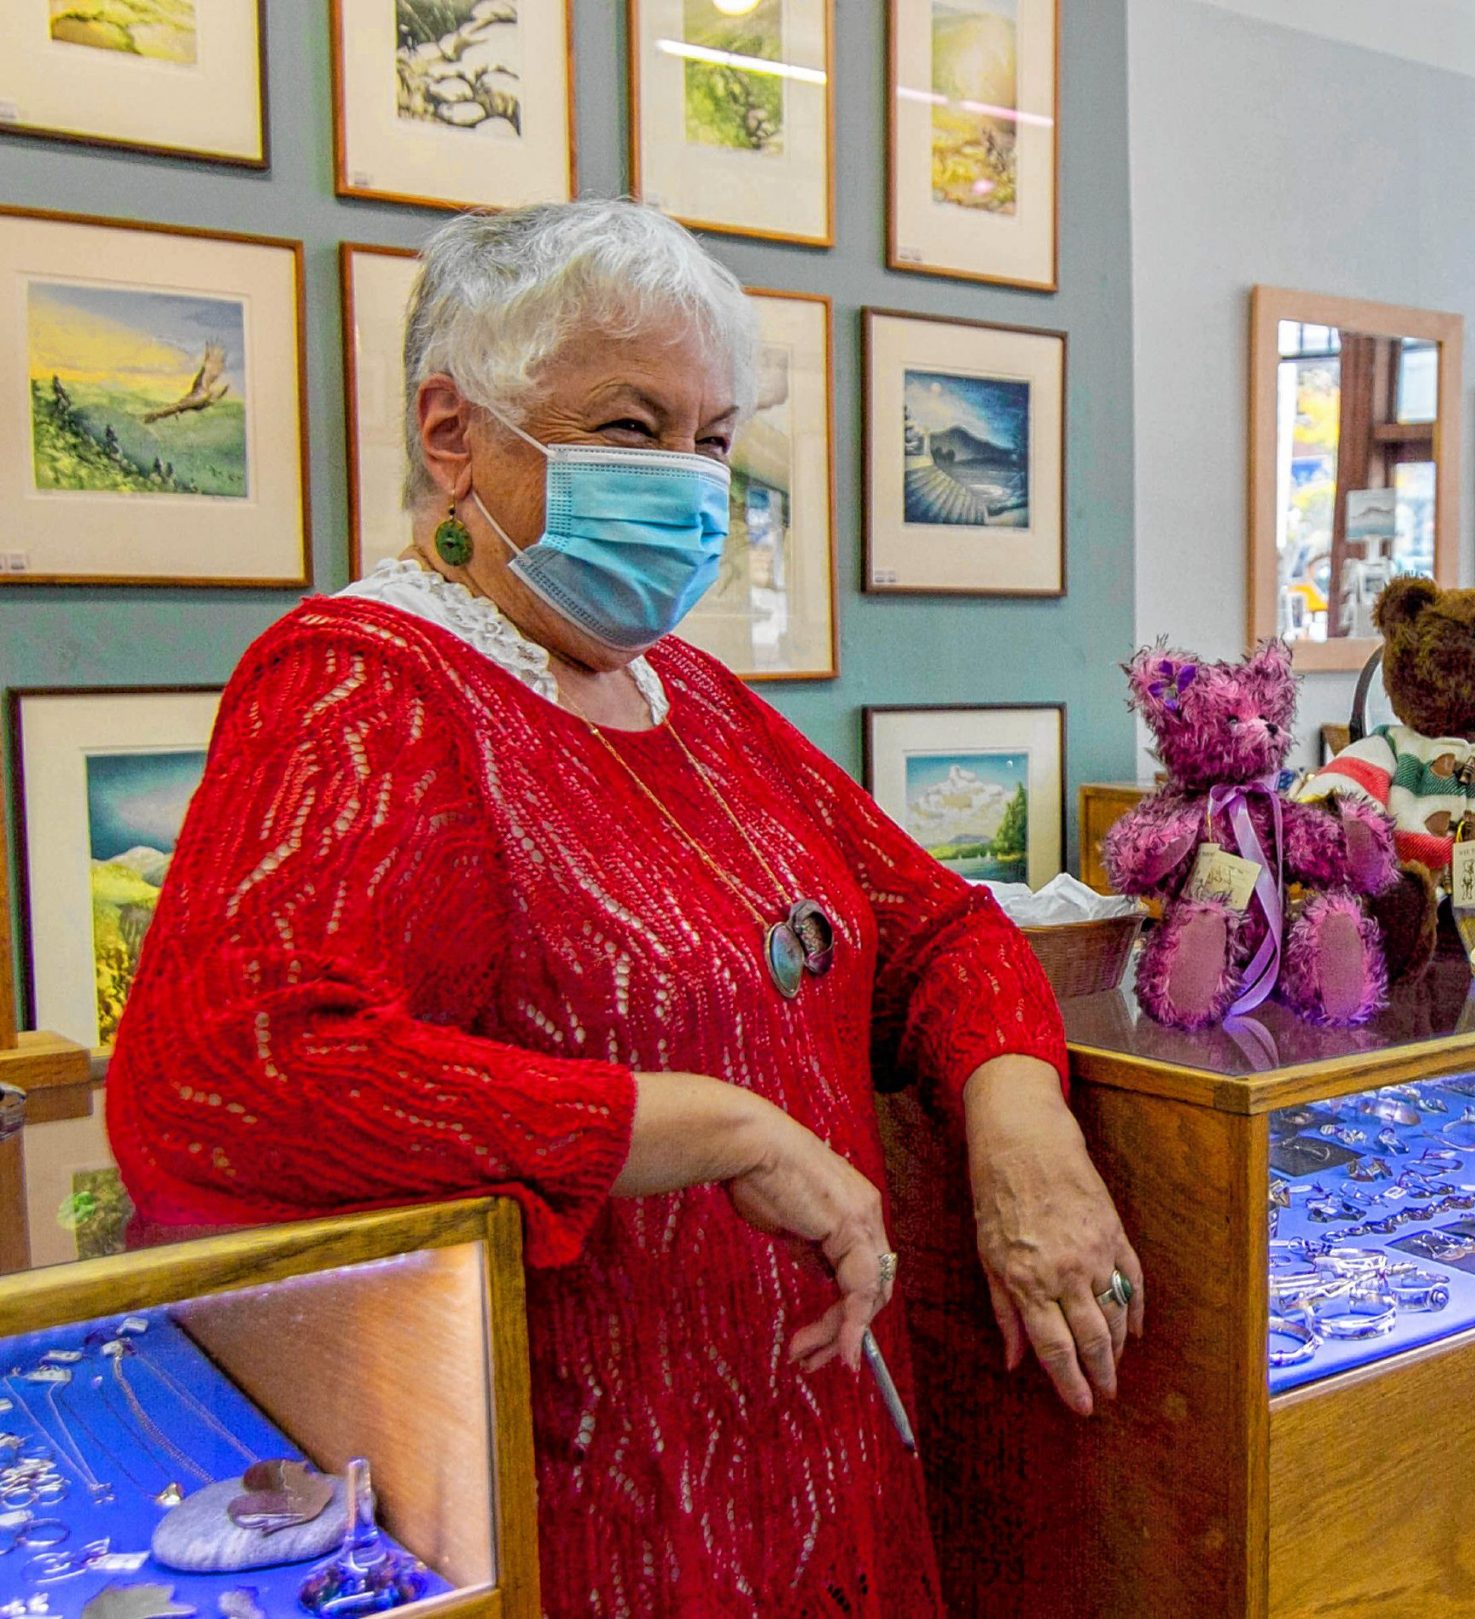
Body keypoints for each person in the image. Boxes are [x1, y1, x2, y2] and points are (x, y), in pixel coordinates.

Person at [107, 200, 1143, 1617]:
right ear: (451, 431)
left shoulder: (697, 701)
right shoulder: (363, 685)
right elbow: (236, 1072)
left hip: (816, 1468)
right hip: (591, 1502)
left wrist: (1022, 1126)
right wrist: (705, 1126)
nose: (687, 480)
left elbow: (939, 930)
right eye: (630, 427)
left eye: (713, 440)